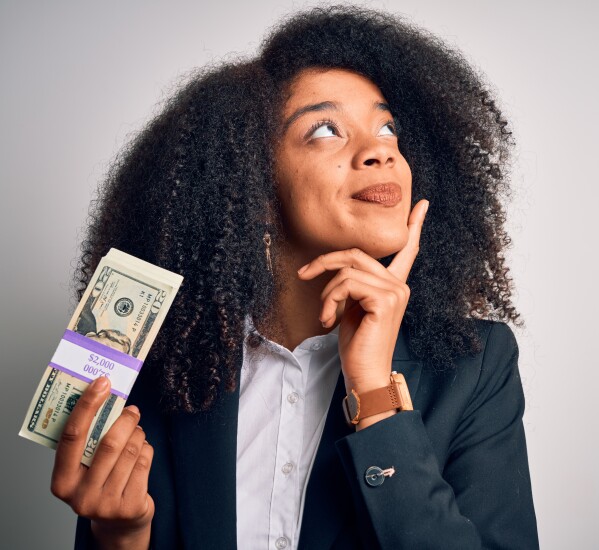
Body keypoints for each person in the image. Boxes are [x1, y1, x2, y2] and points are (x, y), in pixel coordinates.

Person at [50, 5, 539, 549]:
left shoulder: (476, 364)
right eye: (325, 130)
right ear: (253, 184)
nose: (380, 150)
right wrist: (122, 536)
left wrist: (374, 392)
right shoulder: (170, 366)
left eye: (388, 128)